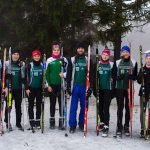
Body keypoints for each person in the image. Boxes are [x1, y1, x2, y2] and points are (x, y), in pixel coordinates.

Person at [67, 43, 92, 133]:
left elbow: (91, 75)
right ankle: (72, 125)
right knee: (73, 107)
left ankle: (82, 124)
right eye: (79, 48)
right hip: (75, 86)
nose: (80, 50)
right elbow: (69, 73)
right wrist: (68, 86)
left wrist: (90, 88)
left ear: (84, 50)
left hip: (84, 87)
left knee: (84, 106)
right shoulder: (73, 59)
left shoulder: (87, 60)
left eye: (82, 48)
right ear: (77, 49)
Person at [112, 45, 137, 136]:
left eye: (127, 52)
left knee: (128, 107)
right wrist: (118, 77)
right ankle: (119, 126)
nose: (125, 53)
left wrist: (131, 77)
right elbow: (113, 75)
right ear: (121, 53)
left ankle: (126, 126)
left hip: (129, 88)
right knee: (120, 107)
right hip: (119, 88)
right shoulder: (117, 62)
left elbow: (136, 77)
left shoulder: (133, 62)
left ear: (129, 53)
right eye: (123, 52)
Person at [46, 41, 68, 129]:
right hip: (52, 85)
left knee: (61, 104)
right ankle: (52, 121)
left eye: (58, 50)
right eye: (54, 50)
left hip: (61, 85)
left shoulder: (63, 59)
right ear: (52, 51)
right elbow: (46, 74)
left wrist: (64, 75)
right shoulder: (49, 60)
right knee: (52, 104)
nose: (56, 51)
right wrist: (48, 85)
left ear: (60, 51)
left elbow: (67, 71)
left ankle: (61, 122)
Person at [93, 48, 113, 137]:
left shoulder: (111, 65)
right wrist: (94, 89)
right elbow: (95, 78)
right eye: (103, 55)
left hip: (108, 90)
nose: (105, 56)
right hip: (99, 90)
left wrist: (113, 91)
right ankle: (101, 122)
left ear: (109, 56)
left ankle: (106, 125)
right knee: (100, 107)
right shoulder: (98, 64)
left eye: (107, 55)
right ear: (101, 55)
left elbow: (113, 78)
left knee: (106, 108)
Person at [5, 49, 25, 130]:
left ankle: (18, 123)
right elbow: (3, 75)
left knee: (18, 107)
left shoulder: (21, 64)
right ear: (11, 55)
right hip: (9, 89)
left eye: (17, 54)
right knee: (9, 106)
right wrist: (5, 85)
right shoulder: (7, 63)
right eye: (14, 54)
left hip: (18, 88)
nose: (16, 56)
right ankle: (7, 122)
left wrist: (23, 80)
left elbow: (24, 75)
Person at [25, 49, 43, 129]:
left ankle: (38, 122)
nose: (36, 57)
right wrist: (27, 88)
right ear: (33, 56)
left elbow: (44, 76)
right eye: (35, 56)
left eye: (38, 56)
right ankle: (32, 122)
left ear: (40, 56)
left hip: (39, 88)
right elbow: (26, 77)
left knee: (39, 105)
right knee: (31, 105)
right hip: (31, 88)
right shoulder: (30, 65)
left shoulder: (42, 65)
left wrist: (44, 84)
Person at [137, 51, 150, 138]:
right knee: (143, 111)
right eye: (147, 58)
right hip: (143, 93)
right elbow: (139, 81)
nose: (149, 60)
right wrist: (140, 75)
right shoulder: (142, 69)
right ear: (145, 59)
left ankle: (148, 128)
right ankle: (143, 128)